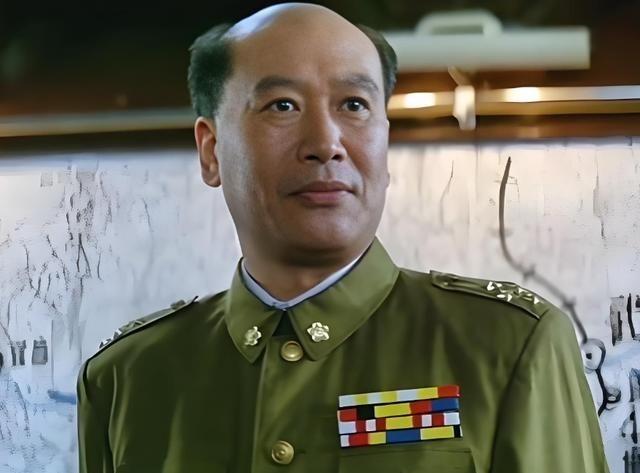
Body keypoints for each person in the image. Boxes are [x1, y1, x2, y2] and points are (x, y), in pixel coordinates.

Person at [76, 3, 609, 473]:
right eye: (283, 105)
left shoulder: (506, 348)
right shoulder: (128, 379)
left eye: (354, 105)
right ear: (212, 151)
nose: (326, 143)